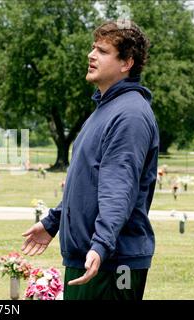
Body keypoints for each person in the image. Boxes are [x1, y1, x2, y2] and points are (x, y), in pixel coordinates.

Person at [22, 21, 159, 300]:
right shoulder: (105, 110)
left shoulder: (129, 115)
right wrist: (53, 222)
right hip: (90, 257)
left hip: (109, 263)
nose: (90, 54)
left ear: (126, 63)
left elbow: (118, 188)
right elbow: (89, 180)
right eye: (92, 47)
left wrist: (101, 245)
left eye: (102, 50)